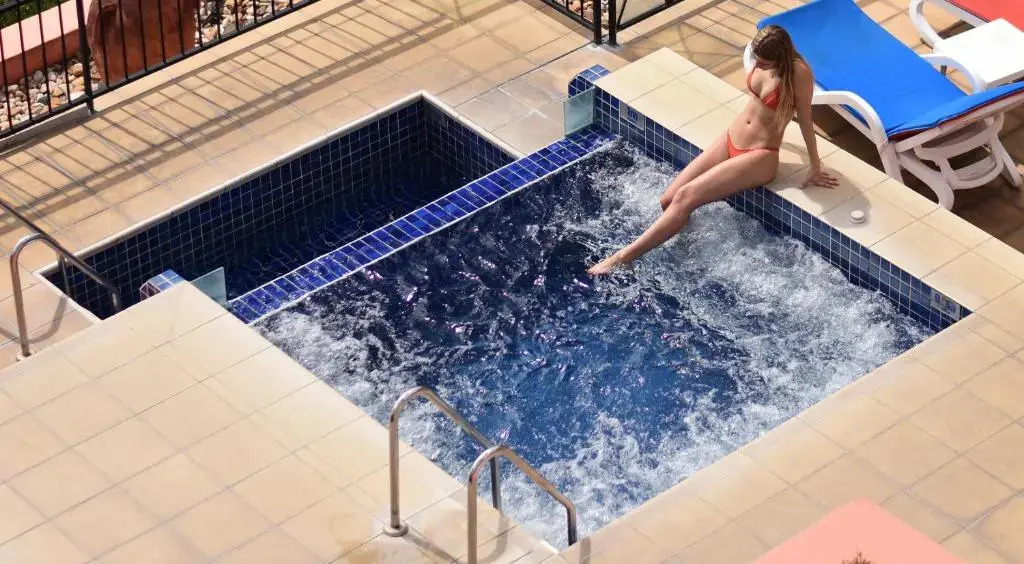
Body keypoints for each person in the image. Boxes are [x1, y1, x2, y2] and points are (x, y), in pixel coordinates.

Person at [587, 25, 838, 275]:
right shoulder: (762, 57)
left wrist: (815, 167)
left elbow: (806, 122)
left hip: (759, 155)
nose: (758, 65)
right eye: (757, 60)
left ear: (780, 56)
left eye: (764, 63)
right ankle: (687, 242)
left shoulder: (798, 73)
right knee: (668, 199)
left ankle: (624, 257)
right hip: (731, 138)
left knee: (685, 196)